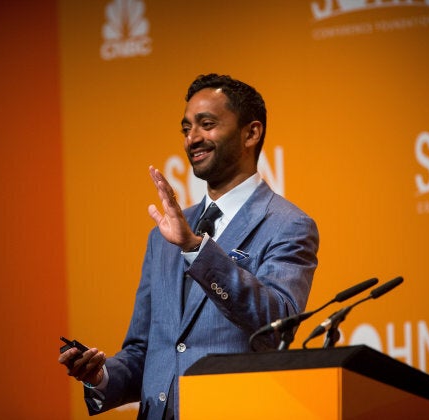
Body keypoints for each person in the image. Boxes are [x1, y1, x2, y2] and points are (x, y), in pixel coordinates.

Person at [58, 73, 319, 419]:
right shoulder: (164, 235)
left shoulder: (287, 224)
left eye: (206, 124)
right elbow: (146, 351)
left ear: (251, 133)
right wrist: (101, 376)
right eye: (186, 129)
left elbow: (276, 325)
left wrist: (197, 250)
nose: (192, 139)